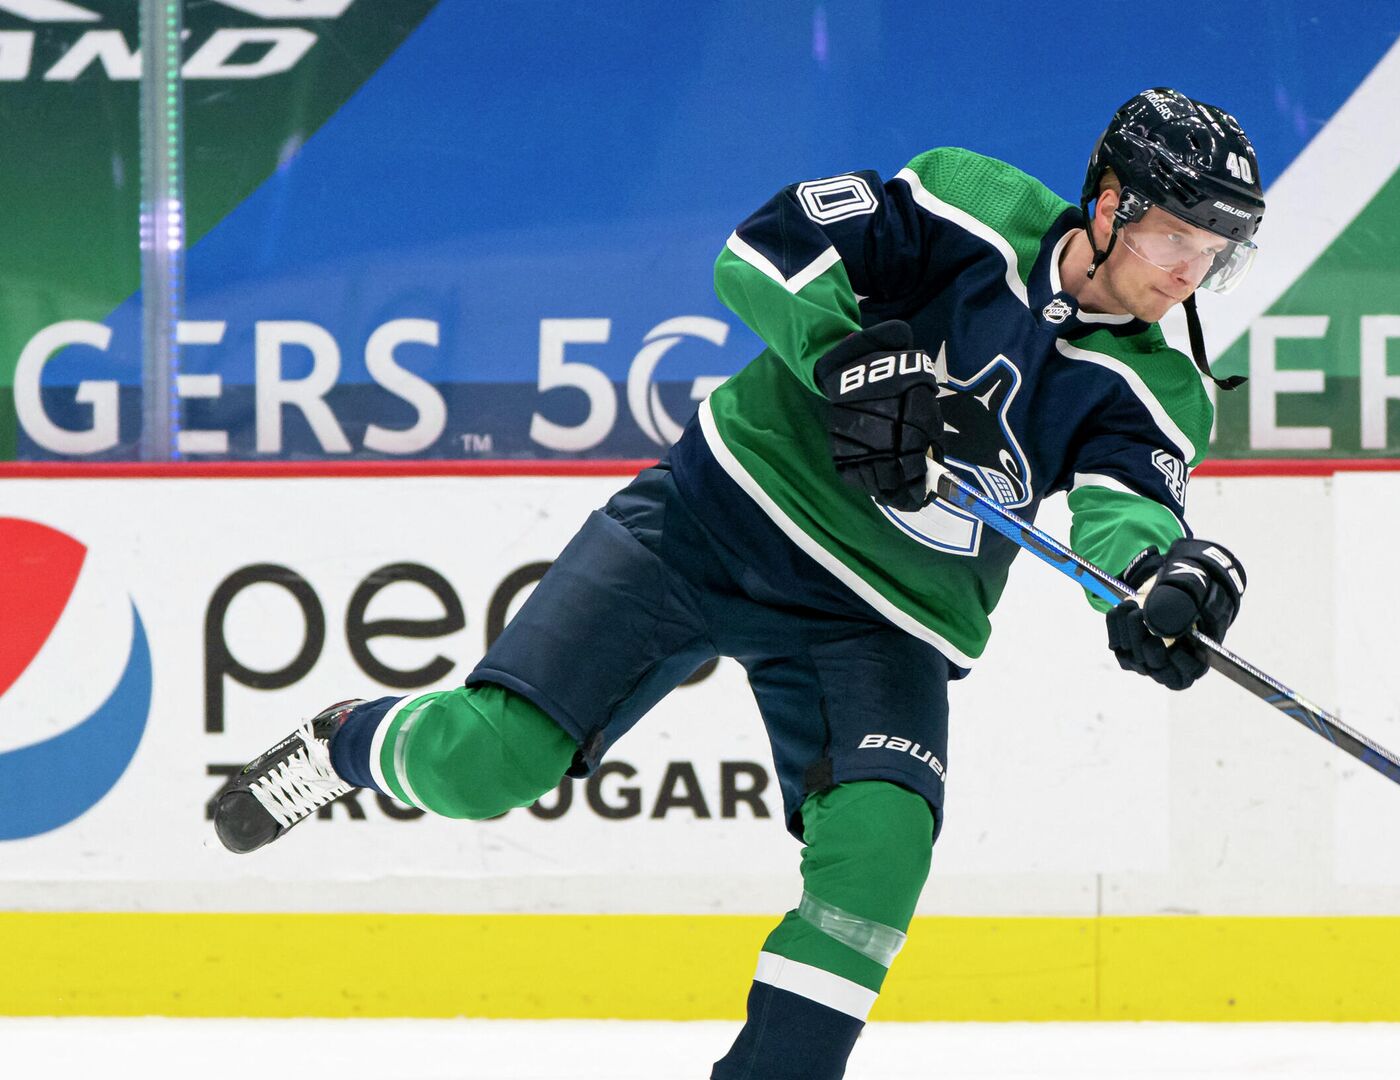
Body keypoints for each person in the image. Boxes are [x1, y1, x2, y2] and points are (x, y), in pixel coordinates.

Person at [213, 86, 1264, 1080]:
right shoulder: (968, 202)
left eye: (1211, 255)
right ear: (1111, 200)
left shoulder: (1161, 387)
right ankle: (348, 739)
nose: (1188, 273)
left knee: (881, 852)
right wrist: (845, 356)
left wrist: (1152, 578)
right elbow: (763, 251)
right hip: (713, 517)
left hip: (880, 619)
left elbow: (1126, 510)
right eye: (1177, 236)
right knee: (487, 765)